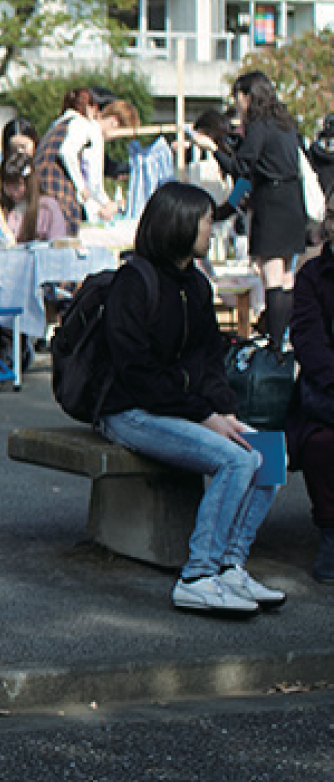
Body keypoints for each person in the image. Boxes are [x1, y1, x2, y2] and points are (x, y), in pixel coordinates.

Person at [97, 180, 285, 616]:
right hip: (129, 409)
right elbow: (136, 375)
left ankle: (229, 566)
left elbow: (208, 360)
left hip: (182, 408)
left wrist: (226, 412)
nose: (211, 230)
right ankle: (198, 576)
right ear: (180, 225)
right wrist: (205, 417)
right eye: (205, 222)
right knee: (235, 459)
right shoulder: (134, 281)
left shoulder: (196, 285)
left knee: (266, 452)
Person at [229, 70, 303, 354]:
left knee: (271, 274)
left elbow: (243, 166)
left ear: (248, 96)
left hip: (271, 202)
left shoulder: (259, 125)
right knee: (286, 276)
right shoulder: (285, 122)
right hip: (291, 200)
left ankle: (274, 344)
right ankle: (285, 338)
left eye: (239, 97)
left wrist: (217, 150)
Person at [287, 194, 334, 583]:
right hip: (327, 391)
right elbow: (308, 340)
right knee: (321, 444)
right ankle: (331, 532)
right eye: (332, 216)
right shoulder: (313, 275)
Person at [36, 87, 117, 232]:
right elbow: (66, 152)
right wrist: (81, 187)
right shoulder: (80, 123)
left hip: (41, 192)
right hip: (60, 195)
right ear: (90, 107)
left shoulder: (57, 124)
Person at [0, 119, 68, 244]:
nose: (19, 152)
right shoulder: (0, 206)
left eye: (23, 147)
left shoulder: (47, 205)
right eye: (13, 148)